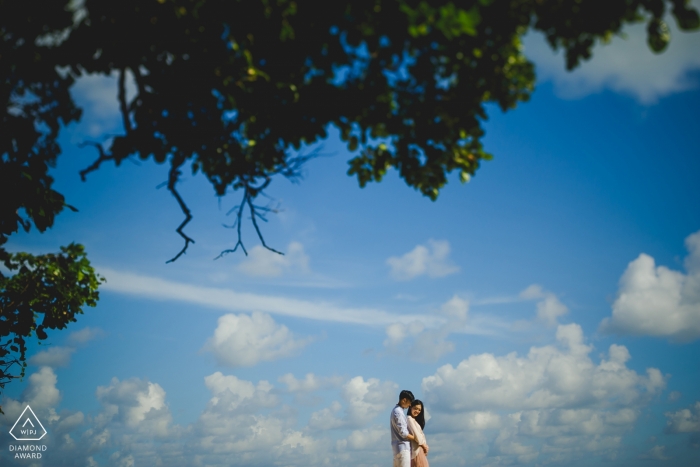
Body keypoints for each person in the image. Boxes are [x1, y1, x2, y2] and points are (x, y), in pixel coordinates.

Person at [390, 390, 416, 467]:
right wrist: (415, 438)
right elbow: (403, 433)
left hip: (396, 448)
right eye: (409, 402)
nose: (410, 405)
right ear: (404, 400)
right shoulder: (399, 412)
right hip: (403, 448)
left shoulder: (395, 410)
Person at [407, 399, 429, 467]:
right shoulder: (409, 419)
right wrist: (424, 446)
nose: (417, 411)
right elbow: (417, 436)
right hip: (416, 450)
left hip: (419, 449)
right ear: (411, 407)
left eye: (419, 410)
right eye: (415, 408)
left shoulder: (414, 420)